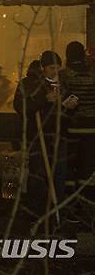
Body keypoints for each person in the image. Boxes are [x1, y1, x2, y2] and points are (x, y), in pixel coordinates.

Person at [14, 50, 77, 216]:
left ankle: (56, 210)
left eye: (57, 67)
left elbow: (64, 114)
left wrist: (68, 108)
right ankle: (36, 211)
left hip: (58, 136)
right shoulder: (29, 84)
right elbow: (21, 107)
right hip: (38, 136)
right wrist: (43, 99)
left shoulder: (63, 84)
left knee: (59, 173)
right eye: (51, 68)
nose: (55, 71)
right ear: (42, 67)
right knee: (38, 174)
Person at [60, 41, 95, 200]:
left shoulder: (63, 75)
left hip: (71, 129)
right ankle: (86, 203)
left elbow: (59, 102)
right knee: (87, 168)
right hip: (92, 129)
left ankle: (70, 204)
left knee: (69, 167)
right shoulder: (93, 73)